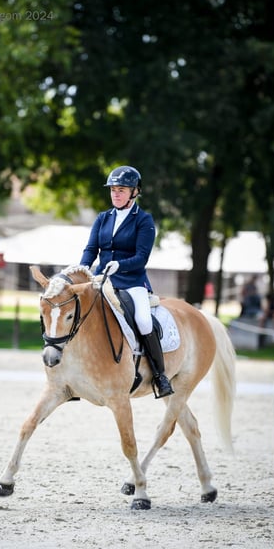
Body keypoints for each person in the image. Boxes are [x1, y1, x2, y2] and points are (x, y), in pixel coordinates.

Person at [80, 165, 174, 398]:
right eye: (113, 190)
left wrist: (120, 265)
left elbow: (141, 257)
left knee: (143, 320)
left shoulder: (144, 220)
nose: (115, 194)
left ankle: (160, 375)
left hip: (131, 282)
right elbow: (92, 249)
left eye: (121, 190)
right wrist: (81, 270)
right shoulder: (103, 218)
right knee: (80, 313)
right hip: (102, 279)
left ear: (134, 192)